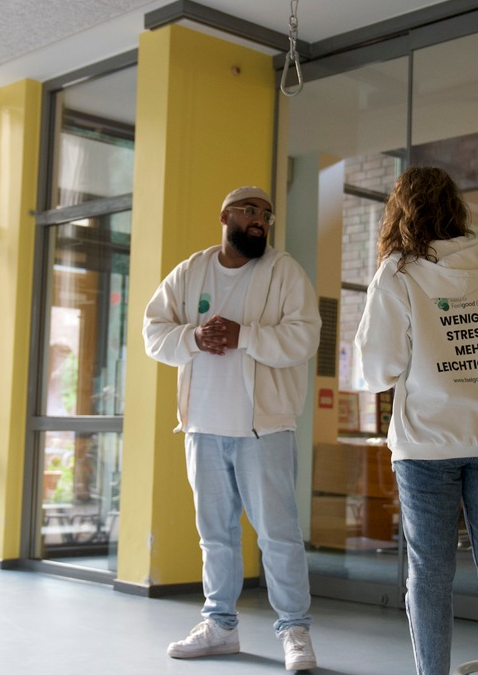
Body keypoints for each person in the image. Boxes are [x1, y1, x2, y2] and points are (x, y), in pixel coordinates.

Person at [354, 166, 478, 675]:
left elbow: (377, 368)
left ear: (399, 213)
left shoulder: (398, 273)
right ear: (455, 208)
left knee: (430, 574)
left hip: (428, 445)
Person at [143, 186, 321, 672]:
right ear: (225, 215)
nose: (260, 220)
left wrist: (246, 336)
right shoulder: (191, 271)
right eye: (250, 211)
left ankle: (294, 630)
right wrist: (193, 337)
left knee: (279, 535)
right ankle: (220, 626)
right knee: (215, 536)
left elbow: (305, 337)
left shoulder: (284, 272)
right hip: (202, 425)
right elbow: (153, 332)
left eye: (266, 214)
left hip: (264, 428)